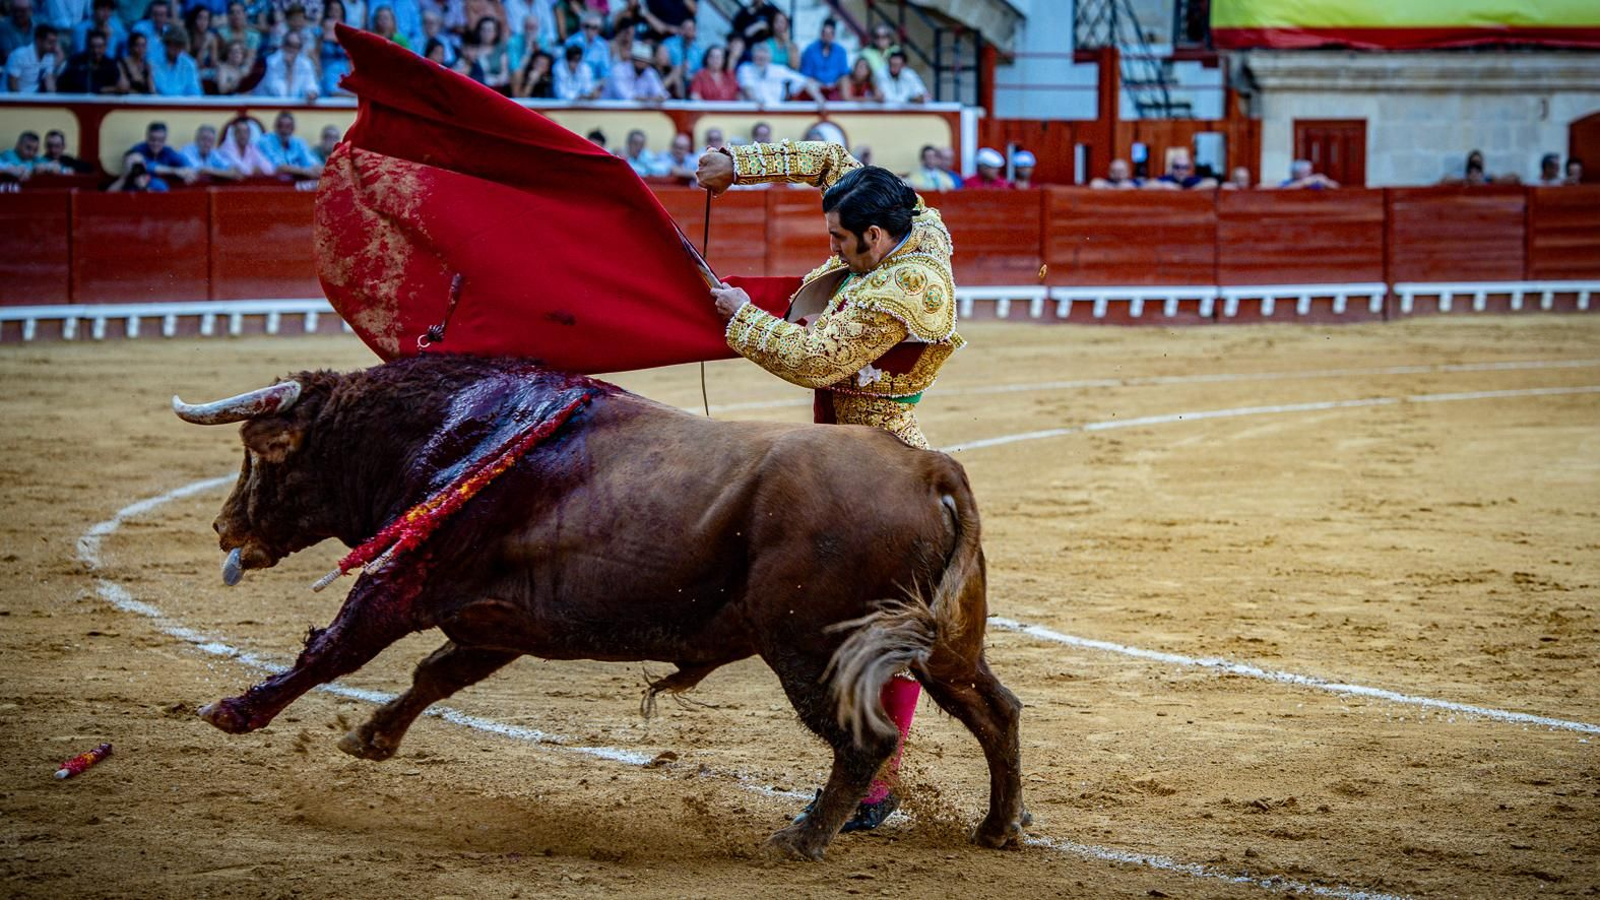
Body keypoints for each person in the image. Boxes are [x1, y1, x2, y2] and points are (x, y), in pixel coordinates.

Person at [696, 140, 961, 832]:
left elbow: (817, 359)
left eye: (842, 240)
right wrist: (738, 164)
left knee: (873, 627)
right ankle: (878, 778)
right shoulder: (914, 220)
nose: (835, 248)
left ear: (876, 237)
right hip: (845, 451)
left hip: (876, 463)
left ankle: (874, 781)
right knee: (883, 628)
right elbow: (830, 157)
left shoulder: (908, 289)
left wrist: (740, 316)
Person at [736, 40, 818, 105]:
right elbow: (748, 91)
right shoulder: (745, 68)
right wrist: (758, 103)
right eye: (758, 53)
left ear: (770, 57)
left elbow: (805, 81)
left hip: (776, 111)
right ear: (753, 56)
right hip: (754, 111)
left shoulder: (779, 70)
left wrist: (819, 99)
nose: (761, 56)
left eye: (764, 53)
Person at [255, 109, 321, 178]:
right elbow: (279, 167)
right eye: (280, 126)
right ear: (275, 127)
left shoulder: (298, 142)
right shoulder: (265, 142)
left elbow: (310, 162)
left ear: (293, 129)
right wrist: (306, 172)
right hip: (271, 184)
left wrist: (317, 170)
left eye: (288, 127)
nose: (284, 130)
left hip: (295, 183)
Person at [127, 120, 196, 187]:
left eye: (160, 140)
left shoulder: (167, 151)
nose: (156, 143)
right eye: (152, 139)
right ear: (147, 138)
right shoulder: (138, 150)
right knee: (158, 184)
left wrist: (188, 172)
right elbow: (147, 166)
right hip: (139, 190)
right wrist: (175, 171)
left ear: (165, 140)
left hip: (161, 189)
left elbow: (185, 162)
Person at [257, 30, 318, 99]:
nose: (292, 49)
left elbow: (311, 84)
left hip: (292, 107)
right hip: (267, 105)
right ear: (283, 45)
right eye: (289, 45)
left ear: (300, 48)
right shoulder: (271, 62)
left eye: (296, 46)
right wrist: (289, 68)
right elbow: (278, 93)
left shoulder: (306, 63)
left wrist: (311, 92)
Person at [798, 17, 847, 97]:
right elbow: (806, 74)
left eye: (830, 34)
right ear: (821, 33)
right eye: (824, 33)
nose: (827, 37)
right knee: (809, 84)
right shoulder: (810, 50)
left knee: (845, 81)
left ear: (834, 35)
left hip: (834, 86)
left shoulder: (841, 51)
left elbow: (844, 73)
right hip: (815, 88)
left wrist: (835, 84)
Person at [59, 27, 119, 91]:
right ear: (87, 46)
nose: (96, 50)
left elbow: (118, 85)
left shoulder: (110, 64)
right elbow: (76, 84)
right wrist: (102, 89)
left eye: (100, 47)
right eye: (92, 46)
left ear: (105, 47)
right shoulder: (76, 61)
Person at [5, 23, 60, 93]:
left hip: (32, 98)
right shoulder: (19, 55)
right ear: (39, 41)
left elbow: (49, 81)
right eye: (50, 42)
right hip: (8, 100)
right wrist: (20, 103)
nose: (54, 46)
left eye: (55, 42)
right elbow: (12, 86)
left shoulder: (49, 56)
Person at [149, 25, 202, 95]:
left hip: (183, 104)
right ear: (166, 43)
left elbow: (195, 93)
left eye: (179, 44)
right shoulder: (153, 63)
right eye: (172, 43)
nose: (175, 48)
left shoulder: (189, 64)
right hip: (159, 103)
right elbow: (153, 91)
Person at [467, 15, 511, 92]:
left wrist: (496, 80)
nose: (486, 33)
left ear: (496, 32)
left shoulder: (501, 49)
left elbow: (504, 74)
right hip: (475, 89)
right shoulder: (472, 50)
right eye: (484, 29)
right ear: (479, 31)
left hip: (497, 90)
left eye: (490, 30)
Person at [561, 10, 606, 81]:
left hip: (594, 83)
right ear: (581, 26)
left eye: (594, 28)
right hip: (573, 81)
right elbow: (564, 66)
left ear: (599, 30)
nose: (590, 30)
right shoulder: (571, 42)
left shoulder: (602, 45)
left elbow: (605, 71)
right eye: (587, 26)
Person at [215, 0, 258, 70]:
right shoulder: (221, 33)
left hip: (245, 69)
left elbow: (250, 57)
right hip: (225, 68)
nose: (235, 15)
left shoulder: (253, 35)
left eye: (238, 12)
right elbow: (218, 57)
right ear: (228, 16)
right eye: (232, 12)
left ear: (244, 15)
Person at [1149, 148, 1215, 189]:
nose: (1181, 171)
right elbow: (1149, 184)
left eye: (1184, 168)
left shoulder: (1191, 180)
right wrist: (1165, 186)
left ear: (1189, 169)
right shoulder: (1168, 179)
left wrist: (1191, 190)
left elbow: (1213, 182)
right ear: (1172, 168)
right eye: (1177, 167)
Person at [114, 28, 151, 92]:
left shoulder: (147, 65)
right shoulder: (121, 64)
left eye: (143, 45)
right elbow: (123, 86)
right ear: (131, 47)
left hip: (144, 100)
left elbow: (151, 89)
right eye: (137, 45)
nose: (141, 49)